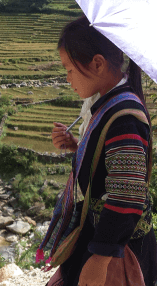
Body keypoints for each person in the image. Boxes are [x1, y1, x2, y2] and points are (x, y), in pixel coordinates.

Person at [44, 15, 157, 286]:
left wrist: (99, 259)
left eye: (70, 69)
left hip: (115, 249)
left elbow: (126, 197)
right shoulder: (109, 106)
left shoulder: (124, 117)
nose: (68, 78)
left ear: (97, 64)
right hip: (101, 235)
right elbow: (108, 165)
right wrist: (77, 145)